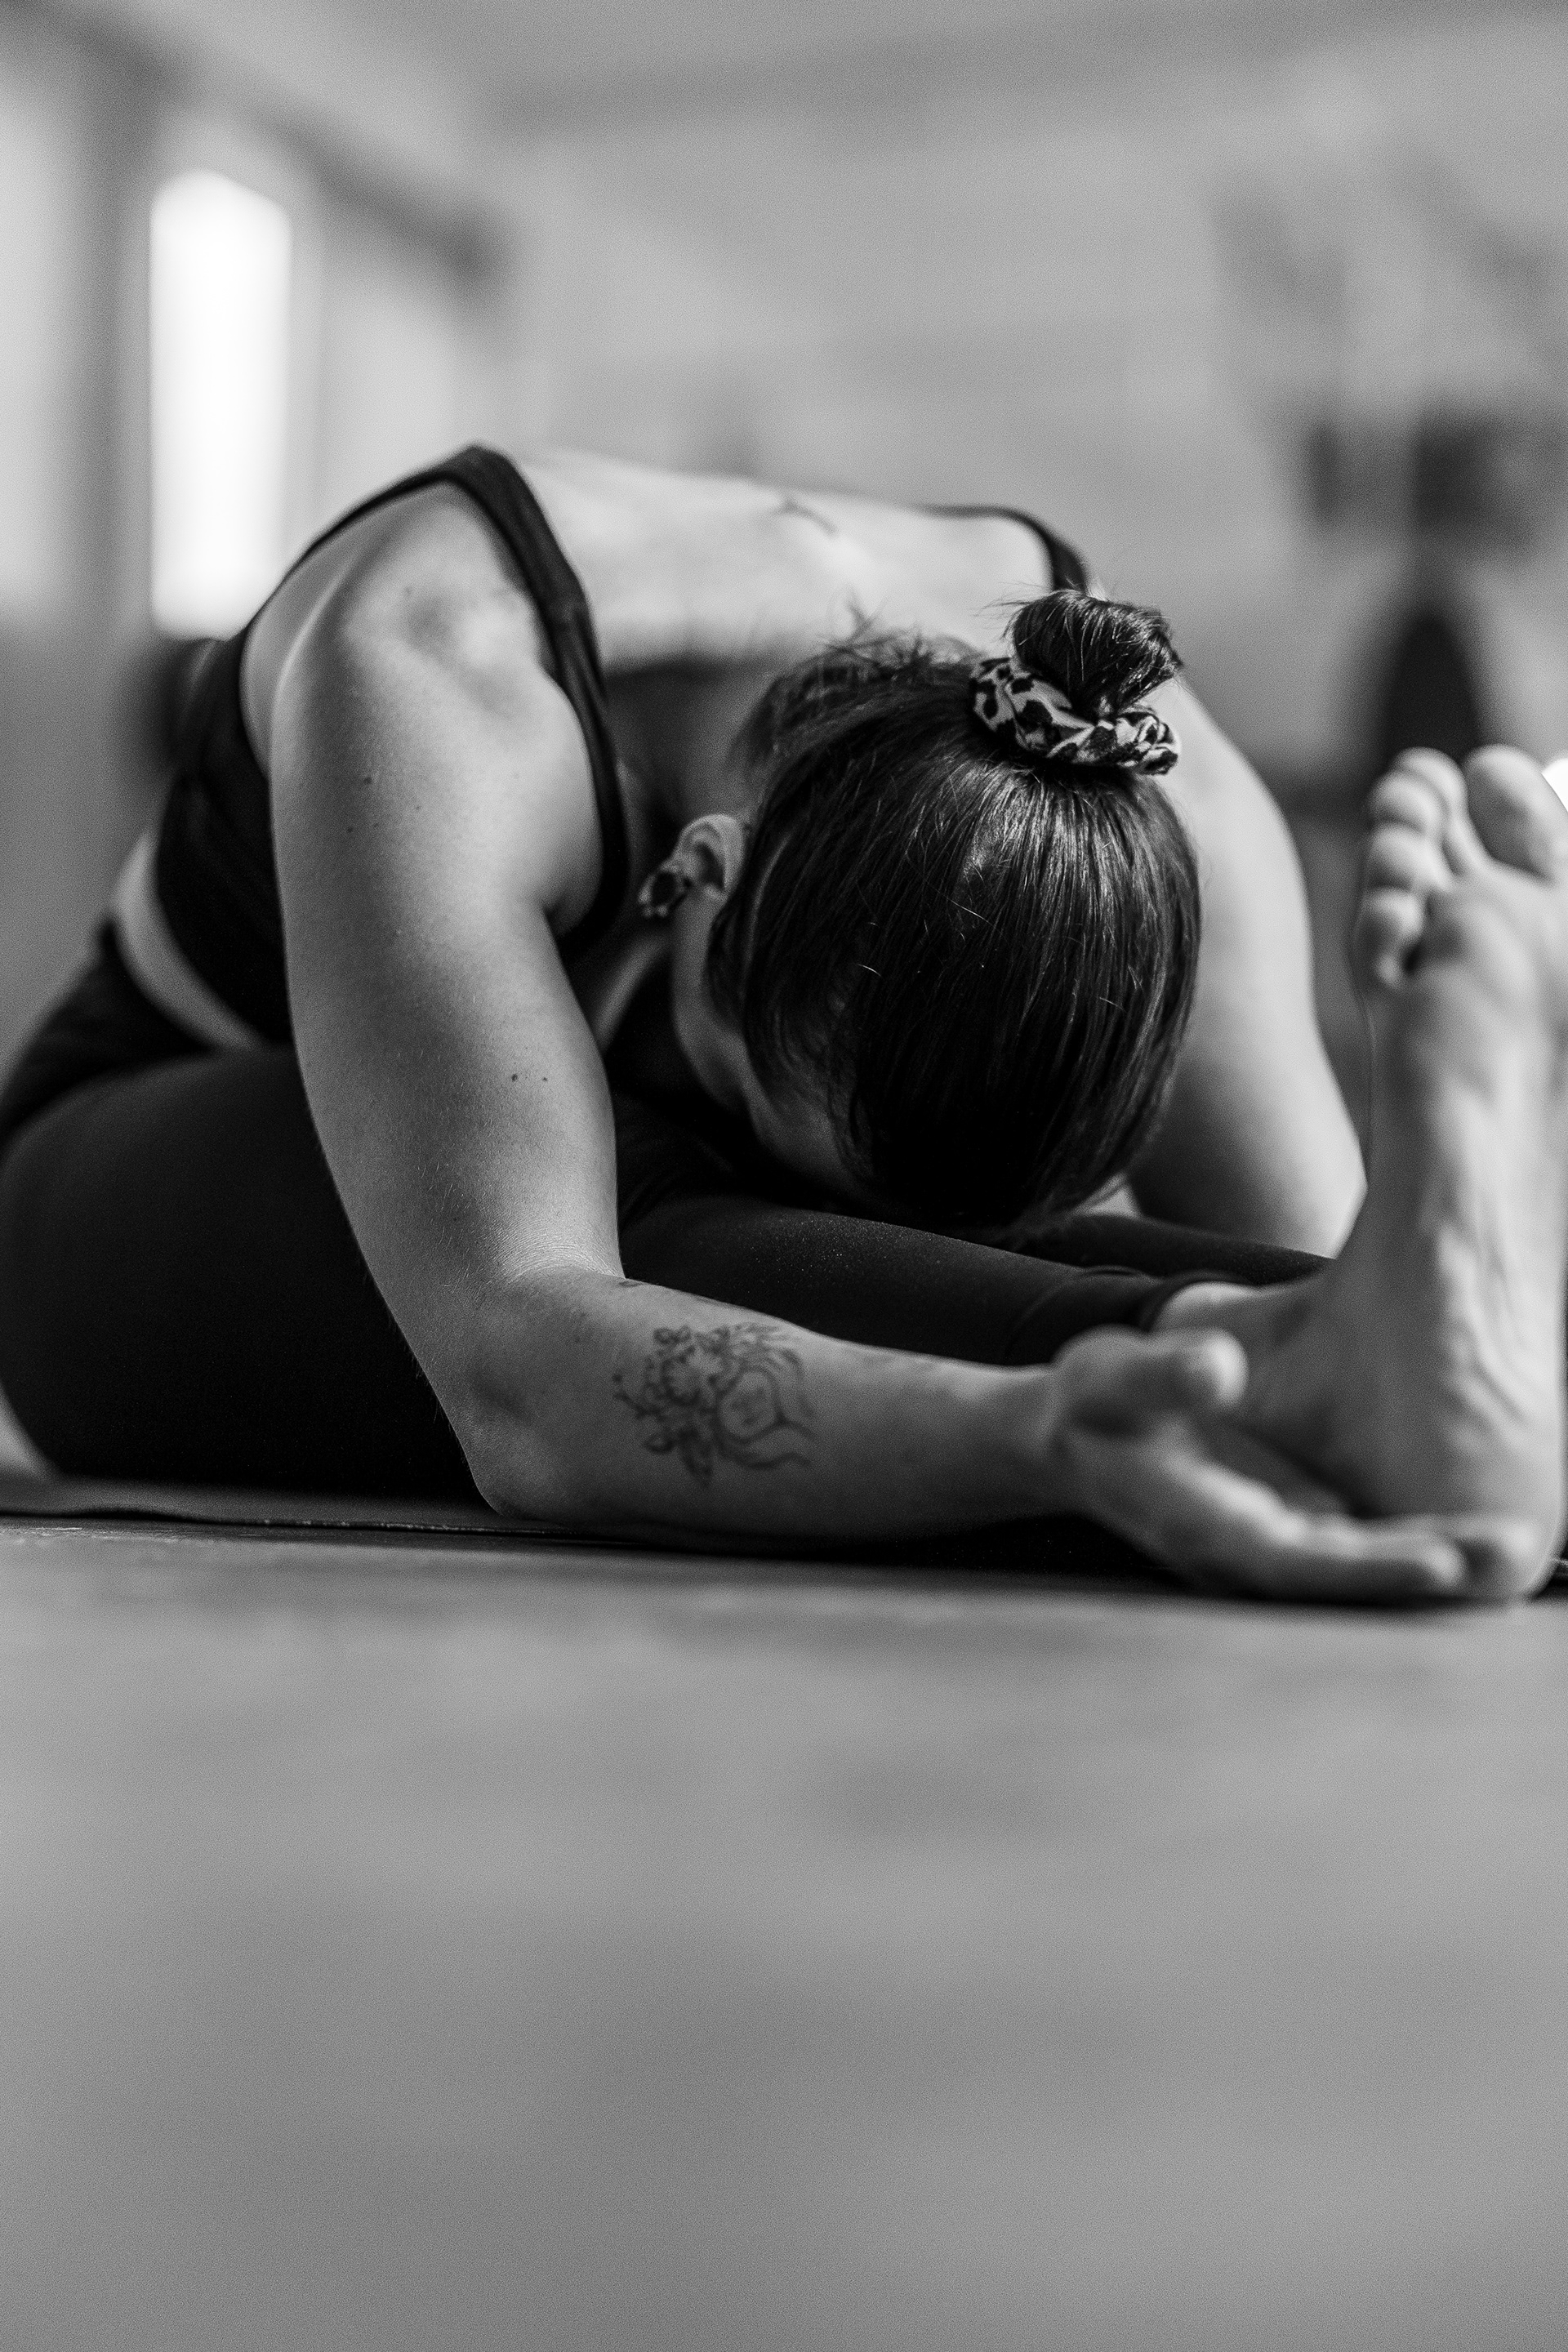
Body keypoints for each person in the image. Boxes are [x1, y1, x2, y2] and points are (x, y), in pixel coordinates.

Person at [0, 443, 1560, 1602]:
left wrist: (1368, 1340)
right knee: (636, 1190)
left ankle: (1316, 1355)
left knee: (1322, 1341)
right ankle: (1236, 1356)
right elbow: (519, 1367)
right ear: (701, 874)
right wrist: (1034, 1437)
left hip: (618, 1208)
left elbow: (1358, 1289)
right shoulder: (439, 672)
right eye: (769, 1096)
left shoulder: (1151, 799)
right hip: (119, 1200)